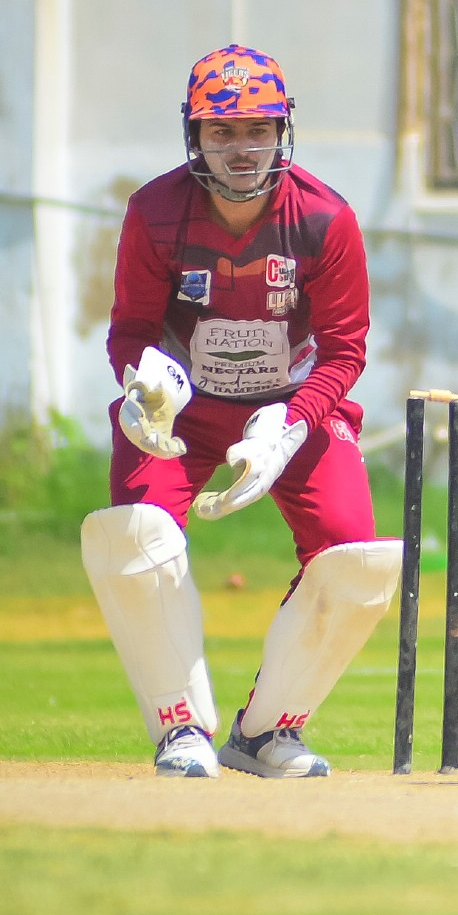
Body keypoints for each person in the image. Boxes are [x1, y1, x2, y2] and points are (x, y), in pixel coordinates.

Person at [80, 45, 400, 779]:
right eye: (221, 131)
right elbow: (131, 329)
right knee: (137, 538)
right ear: (193, 135)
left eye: (258, 129)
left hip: (294, 408)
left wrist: (289, 426)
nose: (241, 148)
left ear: (283, 129)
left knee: (356, 562)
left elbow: (345, 351)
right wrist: (143, 385)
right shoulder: (155, 212)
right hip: (183, 412)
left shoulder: (325, 218)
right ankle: (180, 729)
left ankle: (265, 735)